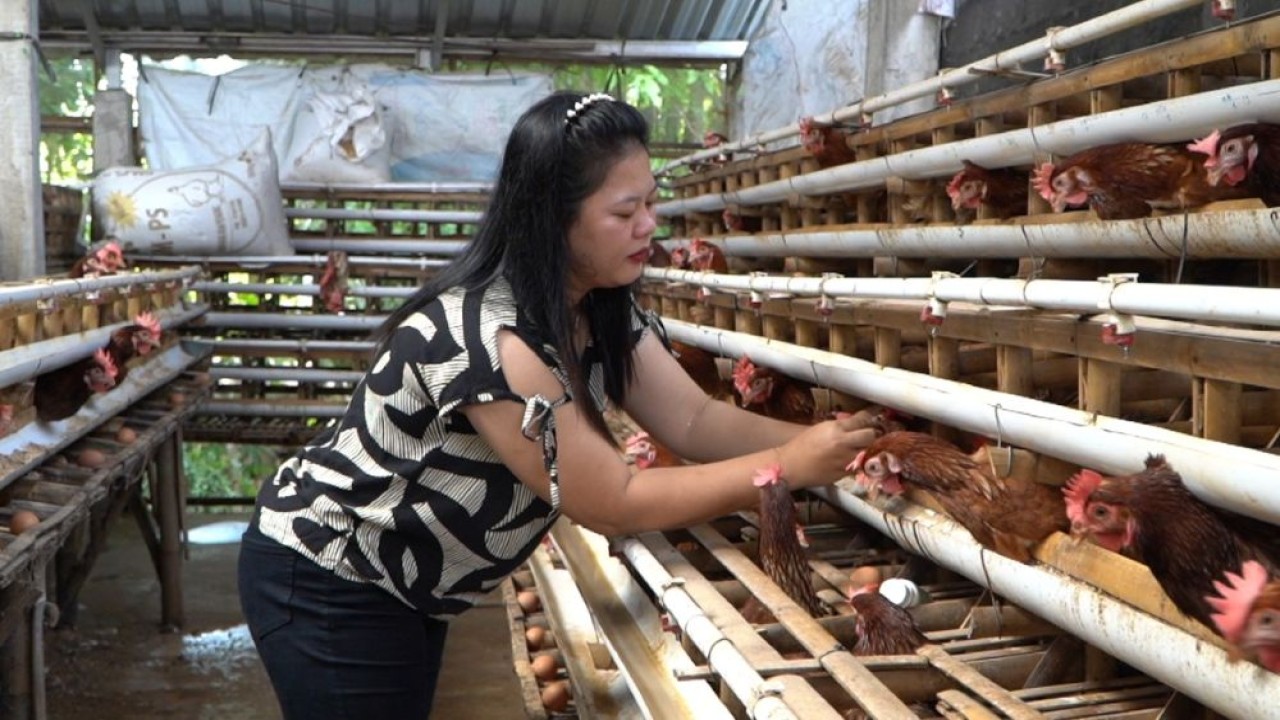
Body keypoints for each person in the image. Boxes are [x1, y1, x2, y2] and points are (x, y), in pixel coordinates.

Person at [237, 90, 876, 719]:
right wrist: (785, 468)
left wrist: (830, 444)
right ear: (553, 216)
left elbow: (695, 419)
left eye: (651, 203)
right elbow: (611, 501)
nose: (648, 226)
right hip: (333, 574)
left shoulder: (600, 303)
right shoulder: (495, 341)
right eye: (625, 211)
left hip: (409, 583)